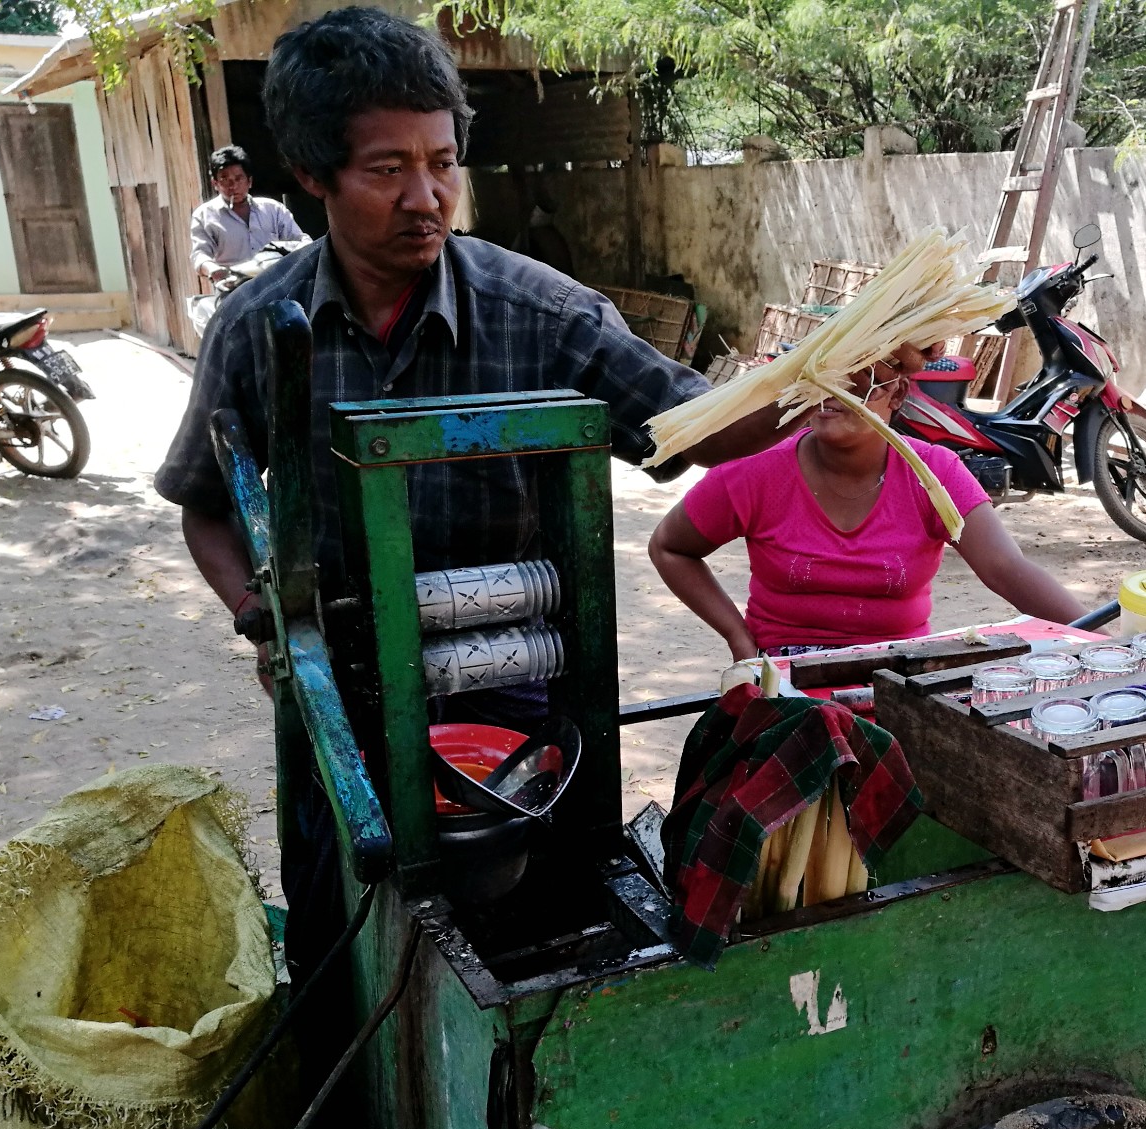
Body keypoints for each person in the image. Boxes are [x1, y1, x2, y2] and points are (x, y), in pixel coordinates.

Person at [154, 7, 796, 983]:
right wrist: (263, 619)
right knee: (345, 944)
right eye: (386, 169)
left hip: (517, 706)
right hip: (341, 705)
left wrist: (826, 385)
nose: (426, 197)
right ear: (314, 176)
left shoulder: (539, 312)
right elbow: (205, 502)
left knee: (535, 948)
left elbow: (691, 424)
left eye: (443, 162)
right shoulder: (256, 327)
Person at [648, 362, 1087, 657]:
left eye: (857, 382)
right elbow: (670, 547)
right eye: (819, 378)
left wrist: (1101, 640)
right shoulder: (756, 472)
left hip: (895, 675)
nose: (832, 394)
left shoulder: (932, 473)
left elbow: (1007, 568)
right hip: (782, 675)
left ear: (895, 393)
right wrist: (738, 637)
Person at [189, 145, 306, 286]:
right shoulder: (204, 216)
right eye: (225, 179)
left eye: (238, 179)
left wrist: (289, 251)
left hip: (277, 284)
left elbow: (301, 240)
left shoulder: (273, 209)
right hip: (234, 288)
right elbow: (200, 255)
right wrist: (213, 269)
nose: (233, 186)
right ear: (215, 184)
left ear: (249, 181)